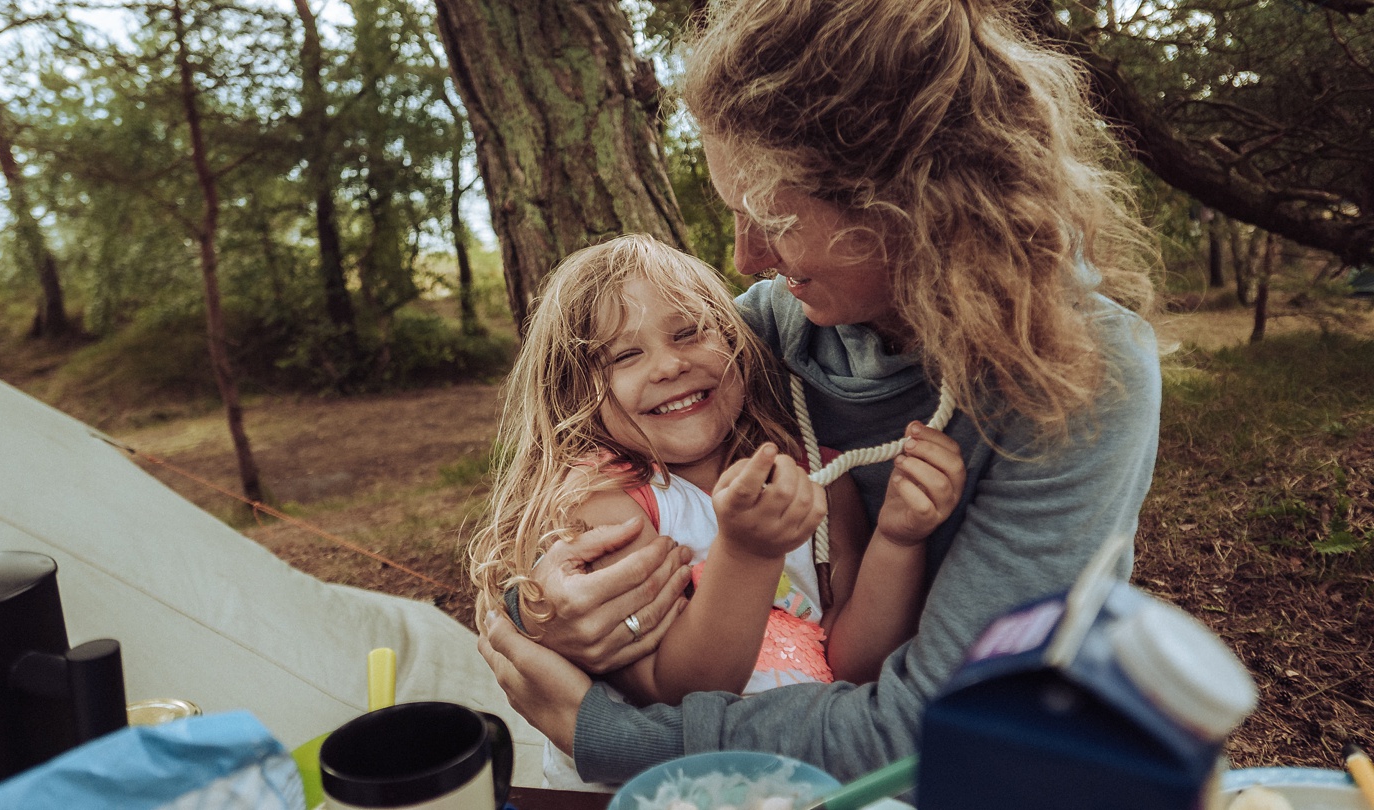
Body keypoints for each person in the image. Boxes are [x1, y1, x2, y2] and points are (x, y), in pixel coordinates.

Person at [477, 0, 1163, 785]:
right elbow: (565, 464)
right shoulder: (763, 336)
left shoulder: (1076, 374)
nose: (745, 258)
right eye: (735, 215)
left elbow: (935, 727)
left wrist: (610, 734)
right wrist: (536, 606)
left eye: (772, 216)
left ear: (907, 202)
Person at [469, 234, 967, 787]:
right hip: (655, 789)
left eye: (688, 332)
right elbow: (679, 690)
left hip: (807, 771)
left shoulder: (811, 474)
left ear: (736, 341)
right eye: (626, 355)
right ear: (575, 392)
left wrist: (899, 540)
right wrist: (749, 552)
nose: (669, 365)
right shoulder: (606, 504)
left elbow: (855, 666)